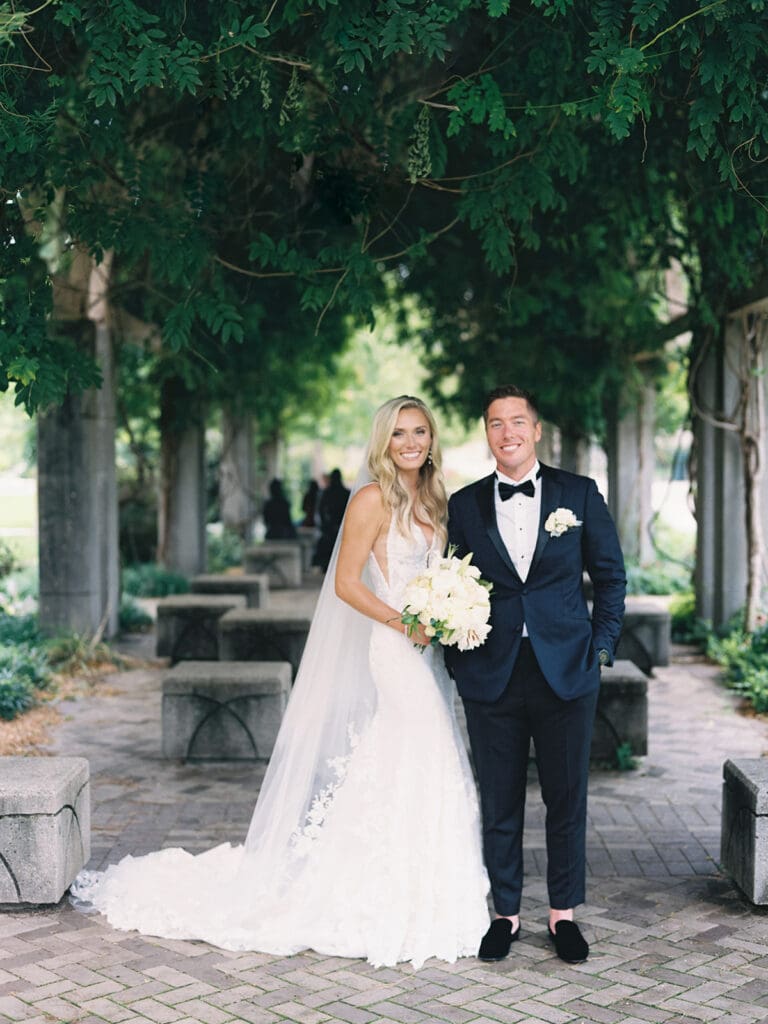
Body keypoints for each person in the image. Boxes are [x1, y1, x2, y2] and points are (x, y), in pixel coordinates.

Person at [72, 396, 489, 969]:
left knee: (418, 750)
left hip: (428, 651)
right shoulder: (371, 498)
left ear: (432, 438)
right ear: (384, 442)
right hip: (395, 647)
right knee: (425, 741)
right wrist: (406, 622)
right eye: (399, 433)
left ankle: (423, 884)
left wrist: (451, 613)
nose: (411, 442)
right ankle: (389, 891)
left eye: (420, 431)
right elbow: (346, 583)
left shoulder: (436, 499)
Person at [445, 385, 626, 966]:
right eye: (496, 423)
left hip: (566, 671)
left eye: (517, 421)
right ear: (487, 432)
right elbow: (450, 585)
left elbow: (611, 577)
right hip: (491, 673)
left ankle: (562, 915)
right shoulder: (464, 505)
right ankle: (505, 914)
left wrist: (600, 650)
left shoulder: (579, 493)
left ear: (537, 430)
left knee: (566, 798)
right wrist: (457, 658)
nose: (508, 433)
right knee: (499, 800)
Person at [312, 468, 350, 571]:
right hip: (336, 526)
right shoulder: (345, 493)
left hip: (334, 527)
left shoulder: (327, 493)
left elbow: (320, 511)